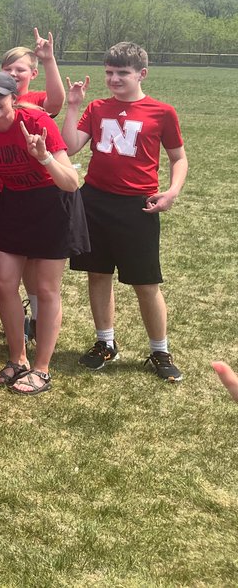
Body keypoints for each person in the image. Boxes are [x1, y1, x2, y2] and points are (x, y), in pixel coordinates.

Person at [62, 42, 188, 382]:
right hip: (95, 201)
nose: (114, 79)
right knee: (98, 274)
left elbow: (178, 157)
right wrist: (73, 106)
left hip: (138, 205)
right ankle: (106, 342)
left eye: (122, 73)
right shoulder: (98, 107)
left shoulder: (162, 112)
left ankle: (160, 349)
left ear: (141, 74)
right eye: (109, 72)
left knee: (146, 282)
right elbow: (70, 145)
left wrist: (172, 192)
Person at [0, 71, 86, 396]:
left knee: (46, 290)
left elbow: (71, 183)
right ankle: (18, 358)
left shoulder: (36, 121)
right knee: (4, 282)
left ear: (13, 98)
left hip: (52, 204)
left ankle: (42, 368)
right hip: (14, 204)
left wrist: (43, 156)